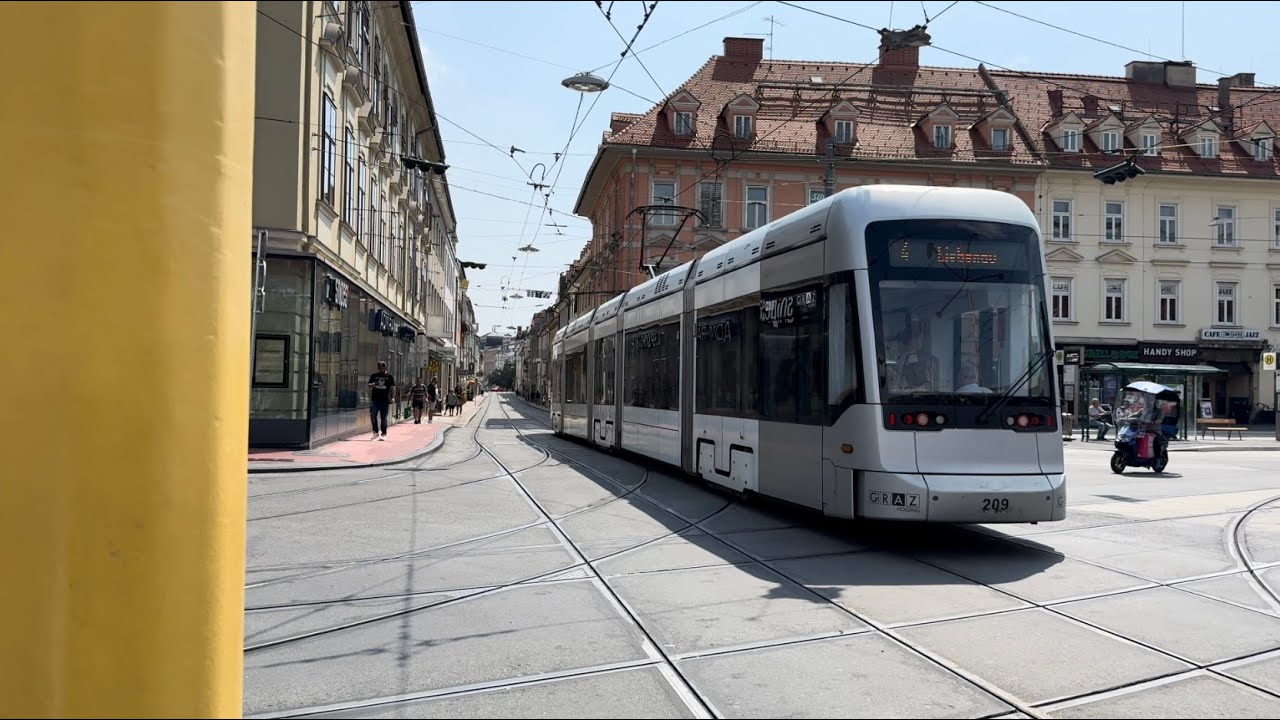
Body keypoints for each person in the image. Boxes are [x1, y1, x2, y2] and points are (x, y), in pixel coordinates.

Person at [367, 361, 396, 440]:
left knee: (383, 418)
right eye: (380, 367)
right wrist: (373, 385)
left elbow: (393, 388)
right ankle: (375, 432)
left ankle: (383, 434)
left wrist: (393, 397)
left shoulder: (389, 376)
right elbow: (369, 384)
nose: (381, 369)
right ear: (378, 368)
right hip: (375, 400)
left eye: (383, 367)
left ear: (385, 367)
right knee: (373, 416)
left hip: (384, 400)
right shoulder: (374, 375)